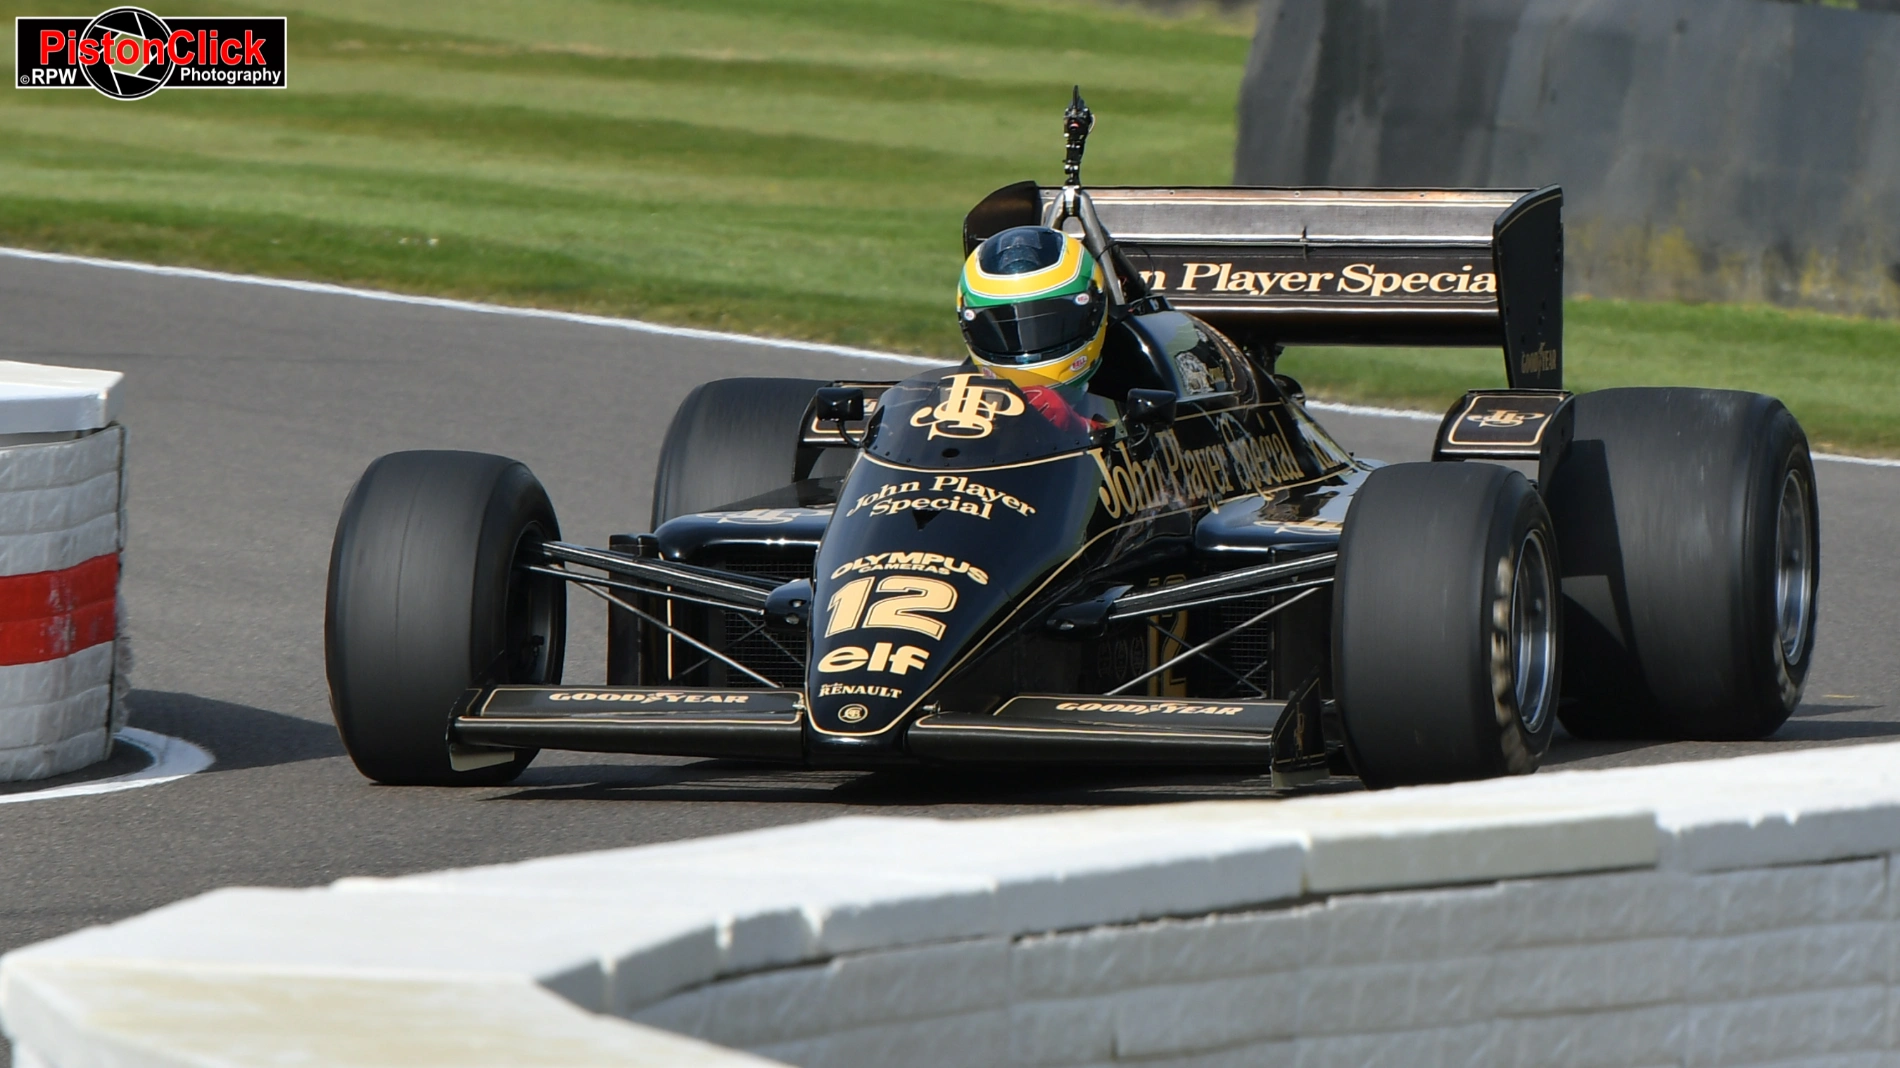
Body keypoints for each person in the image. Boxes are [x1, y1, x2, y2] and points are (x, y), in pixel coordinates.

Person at [957, 225, 1110, 434]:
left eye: (1048, 327)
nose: (1027, 345)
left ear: (1093, 312)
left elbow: (1140, 433)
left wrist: (1080, 427)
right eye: (1008, 332)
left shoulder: (1130, 372)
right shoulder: (961, 393)